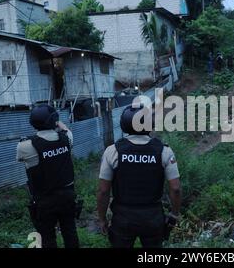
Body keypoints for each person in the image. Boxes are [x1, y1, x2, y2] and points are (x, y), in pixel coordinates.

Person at [97, 105, 182, 248]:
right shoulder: (164, 151)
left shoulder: (112, 151)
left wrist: (102, 219)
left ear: (124, 124)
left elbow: (103, 191)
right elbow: (176, 188)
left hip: (123, 217)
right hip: (153, 217)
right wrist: (174, 215)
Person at [16, 104, 80, 248]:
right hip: (67, 196)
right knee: (70, 232)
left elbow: (20, 159)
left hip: (44, 200)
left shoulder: (25, 146)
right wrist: (58, 123)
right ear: (54, 121)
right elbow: (66, 130)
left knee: (47, 238)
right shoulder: (66, 138)